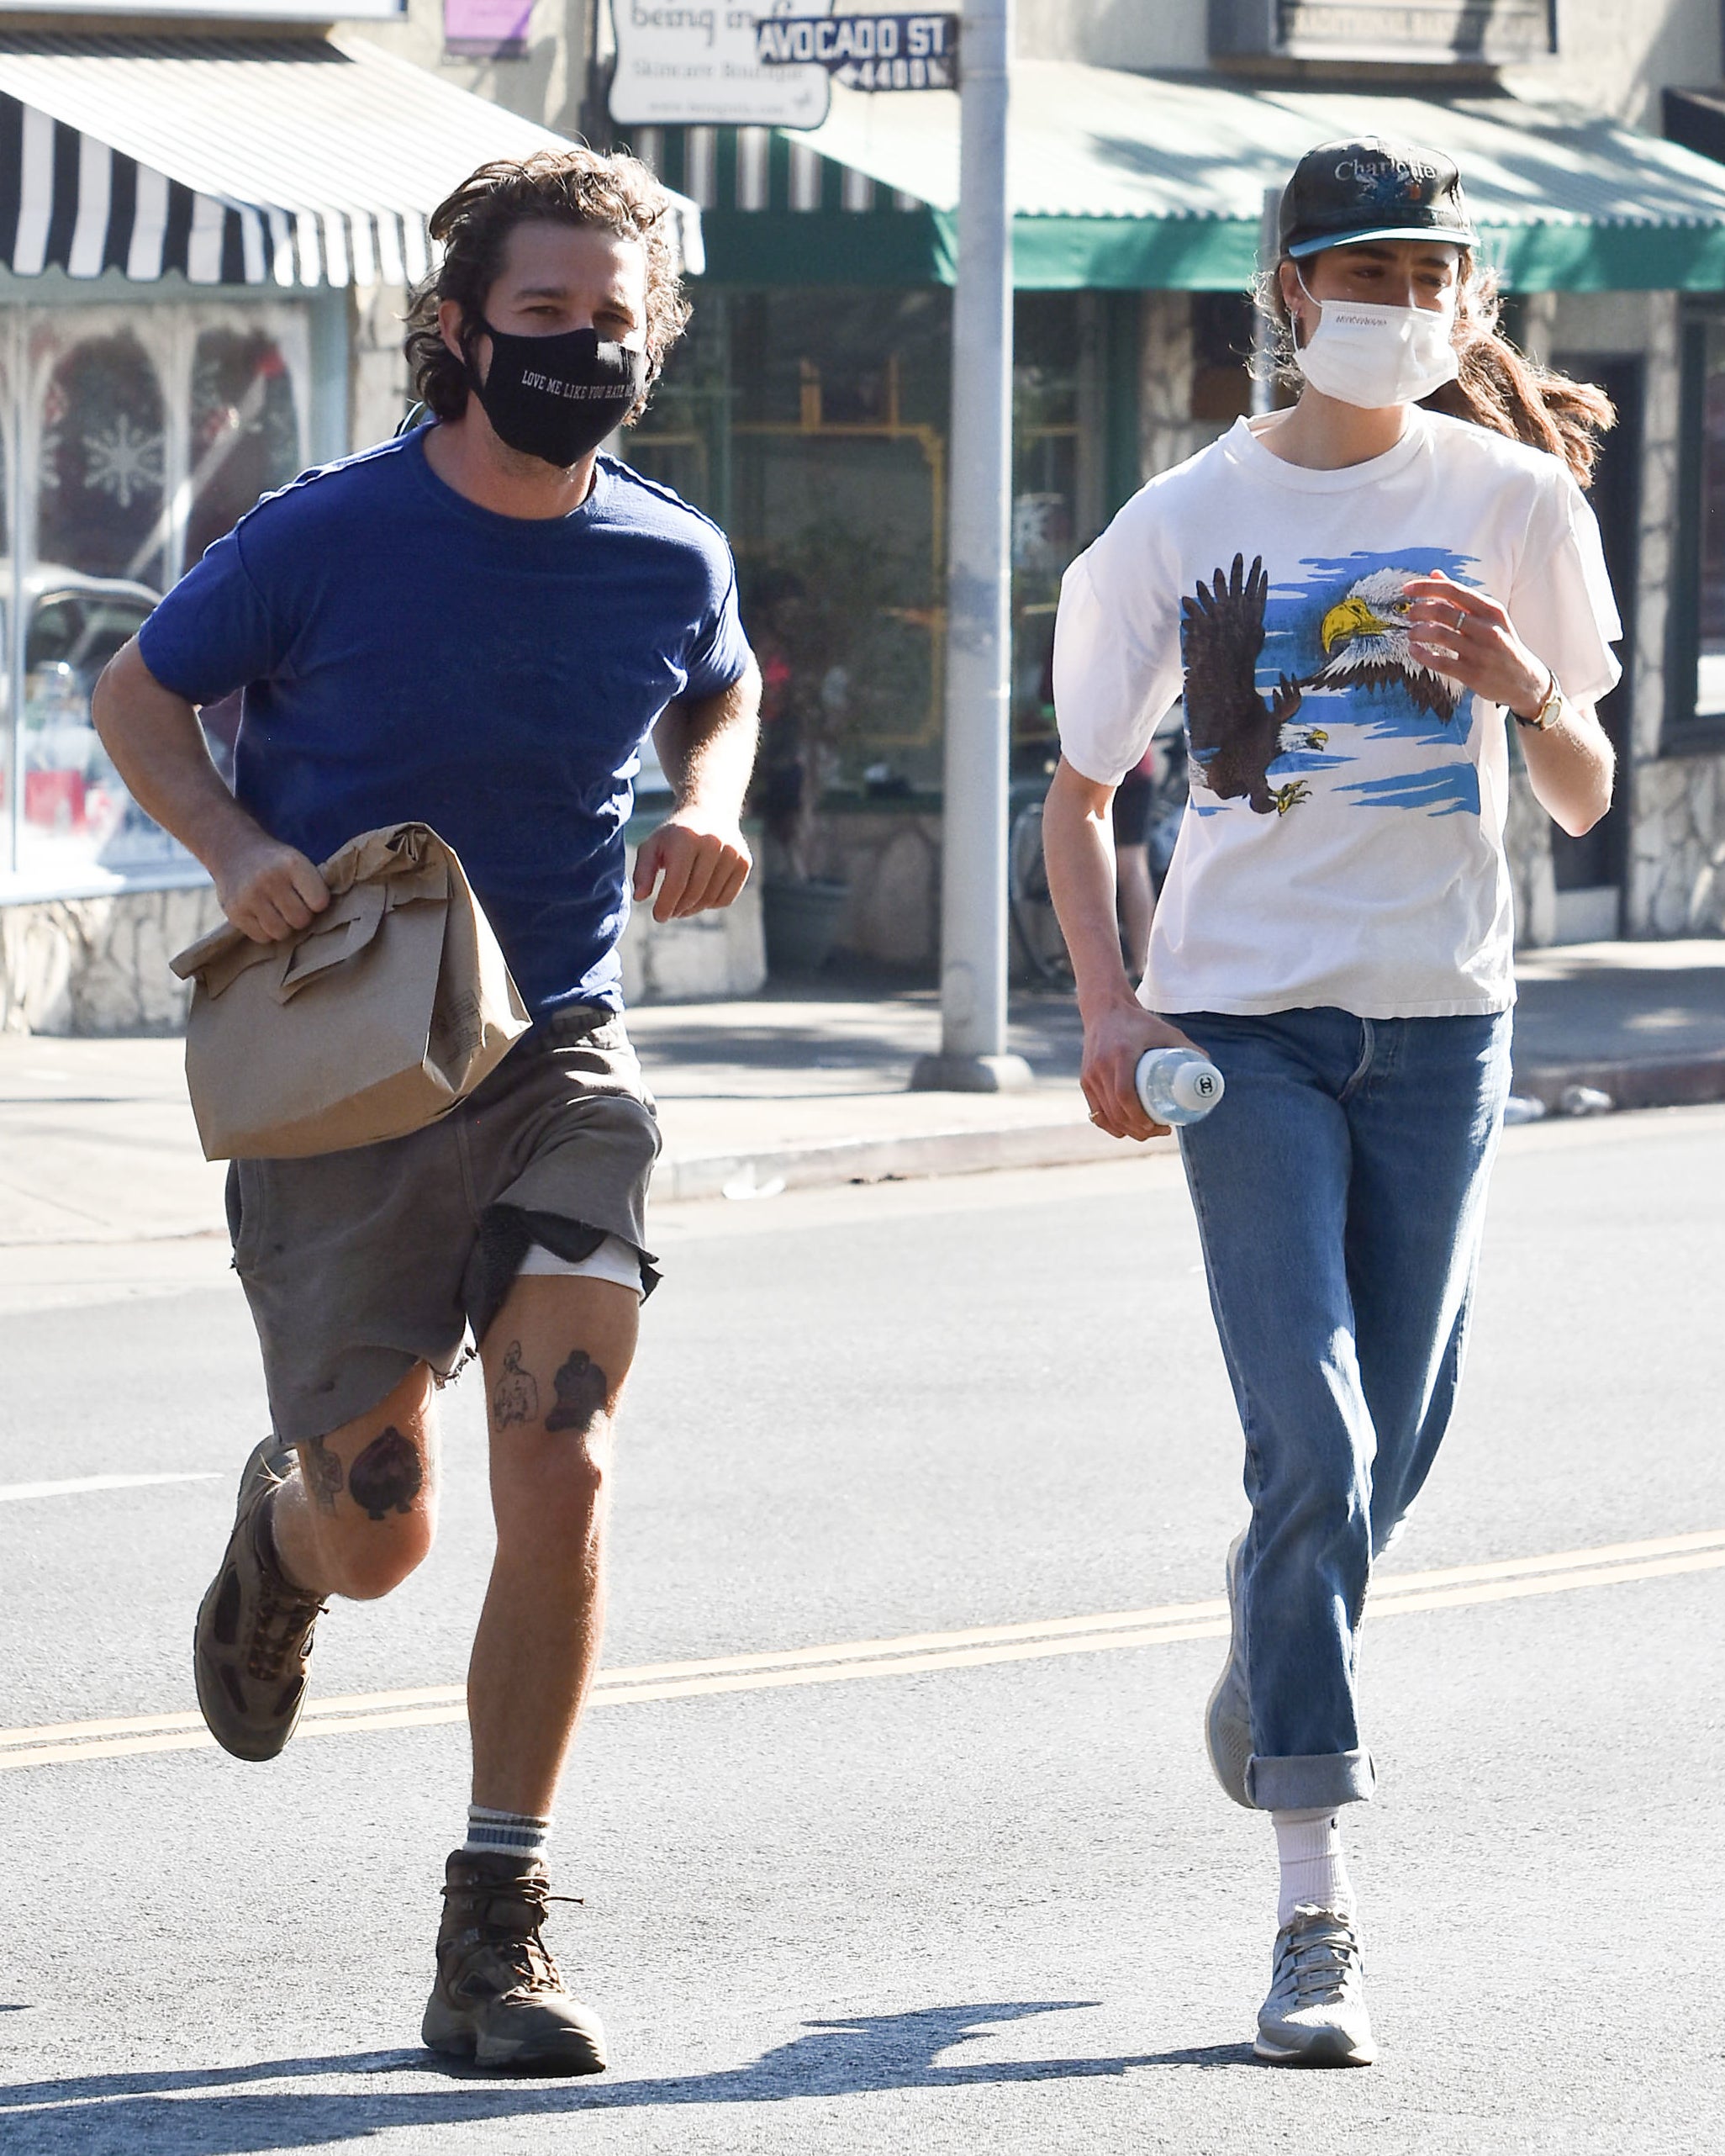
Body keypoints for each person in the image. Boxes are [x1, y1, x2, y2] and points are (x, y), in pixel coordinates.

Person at [92, 148, 759, 2075]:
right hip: (348, 1053)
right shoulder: (326, 535)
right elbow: (143, 695)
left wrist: (708, 797)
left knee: (566, 1452)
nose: (581, 352)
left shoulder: (669, 549)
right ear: (458, 331)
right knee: (381, 1526)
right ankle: (281, 1542)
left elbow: (717, 686)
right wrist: (231, 845)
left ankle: (498, 1924)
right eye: (543, 319)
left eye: (613, 325)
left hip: (554, 1046)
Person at [1042, 136, 1619, 2066]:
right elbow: (1083, 790)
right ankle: (1316, 1919)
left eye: (1429, 272)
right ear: (1288, 294)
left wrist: (1533, 687)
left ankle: (1268, 1626)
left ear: (1466, 295)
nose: (1398, 304)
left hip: (1443, 1026)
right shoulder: (1172, 524)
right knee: (1313, 1426)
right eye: (1359, 272)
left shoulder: (1517, 497)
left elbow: (1585, 792)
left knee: (1375, 1457)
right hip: (1248, 1027)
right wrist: (1111, 1010)